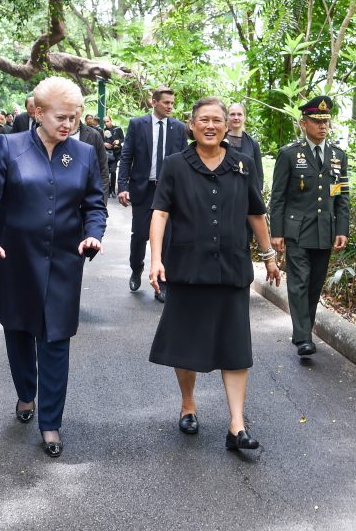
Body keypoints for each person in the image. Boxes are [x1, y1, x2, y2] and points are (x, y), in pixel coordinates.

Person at [0, 76, 106, 458]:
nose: (69, 124)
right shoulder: (9, 147)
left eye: (75, 117)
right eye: (61, 117)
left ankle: (50, 423)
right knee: (18, 332)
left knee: (55, 340)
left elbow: (94, 204)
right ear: (37, 112)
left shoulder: (82, 154)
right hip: (12, 258)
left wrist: (93, 234)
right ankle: (25, 394)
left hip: (63, 261)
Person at [148, 96, 281, 452]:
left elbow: (256, 213)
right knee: (185, 343)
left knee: (235, 347)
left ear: (227, 126)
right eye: (203, 120)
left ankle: (236, 425)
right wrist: (155, 259)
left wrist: (268, 256)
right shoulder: (175, 165)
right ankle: (188, 404)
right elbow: (160, 213)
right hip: (188, 269)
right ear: (191, 125)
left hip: (231, 268)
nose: (211, 126)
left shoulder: (243, 164)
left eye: (217, 120)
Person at [269, 95, 349, 358]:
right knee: (299, 281)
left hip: (325, 230)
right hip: (297, 231)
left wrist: (342, 229)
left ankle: (303, 330)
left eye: (326, 121)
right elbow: (278, 197)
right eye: (316, 121)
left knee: (314, 284)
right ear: (304, 124)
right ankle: (304, 337)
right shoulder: (290, 154)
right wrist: (277, 232)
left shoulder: (338, 156)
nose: (322, 126)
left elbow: (341, 196)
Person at [117, 86, 186, 302]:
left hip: (169, 192)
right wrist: (122, 186)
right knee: (139, 236)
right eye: (166, 103)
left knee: (166, 239)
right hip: (143, 189)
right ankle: (136, 269)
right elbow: (127, 156)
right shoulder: (138, 125)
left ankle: (161, 284)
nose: (170, 107)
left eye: (172, 103)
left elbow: (184, 160)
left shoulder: (179, 128)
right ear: (154, 102)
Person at [69, 108, 110, 197]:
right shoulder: (54, 134)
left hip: (88, 197)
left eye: (76, 106)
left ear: (82, 109)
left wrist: (101, 203)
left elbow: (103, 170)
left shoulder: (94, 134)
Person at [227, 102, 264, 192]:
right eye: (232, 114)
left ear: (244, 117)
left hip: (246, 193)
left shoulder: (253, 143)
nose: (236, 117)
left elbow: (258, 174)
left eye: (239, 114)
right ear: (226, 117)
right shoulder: (219, 141)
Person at [102, 115, 124, 198]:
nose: (106, 123)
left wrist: (118, 141)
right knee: (106, 173)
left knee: (113, 171)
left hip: (115, 154)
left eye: (107, 121)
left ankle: (113, 190)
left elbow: (123, 139)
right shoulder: (103, 131)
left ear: (111, 121)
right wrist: (104, 144)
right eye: (104, 122)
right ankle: (107, 191)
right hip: (105, 154)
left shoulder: (117, 129)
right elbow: (100, 141)